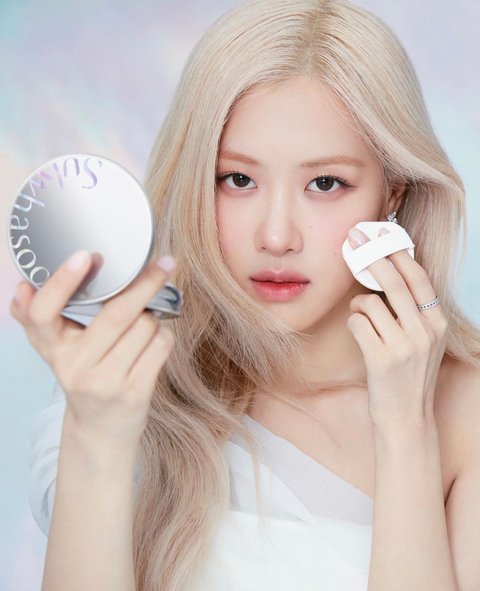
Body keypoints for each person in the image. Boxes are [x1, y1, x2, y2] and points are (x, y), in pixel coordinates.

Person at [11, 0, 480, 590]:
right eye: (238, 180)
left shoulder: (466, 412)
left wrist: (406, 428)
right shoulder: (119, 380)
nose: (276, 237)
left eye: (325, 183)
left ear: (393, 193)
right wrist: (97, 435)